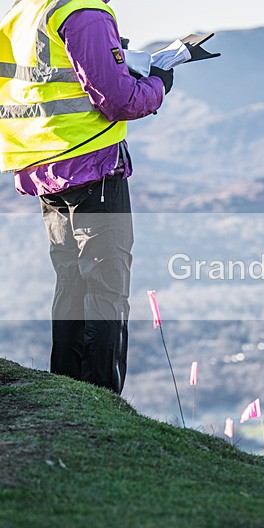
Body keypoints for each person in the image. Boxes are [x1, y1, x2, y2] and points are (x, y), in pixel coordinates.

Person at [0, 0, 173, 393]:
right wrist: (159, 83)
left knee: (71, 283)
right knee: (106, 288)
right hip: (91, 163)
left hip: (43, 166)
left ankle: (66, 387)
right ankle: (101, 396)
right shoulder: (85, 12)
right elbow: (120, 100)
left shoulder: (24, 10)